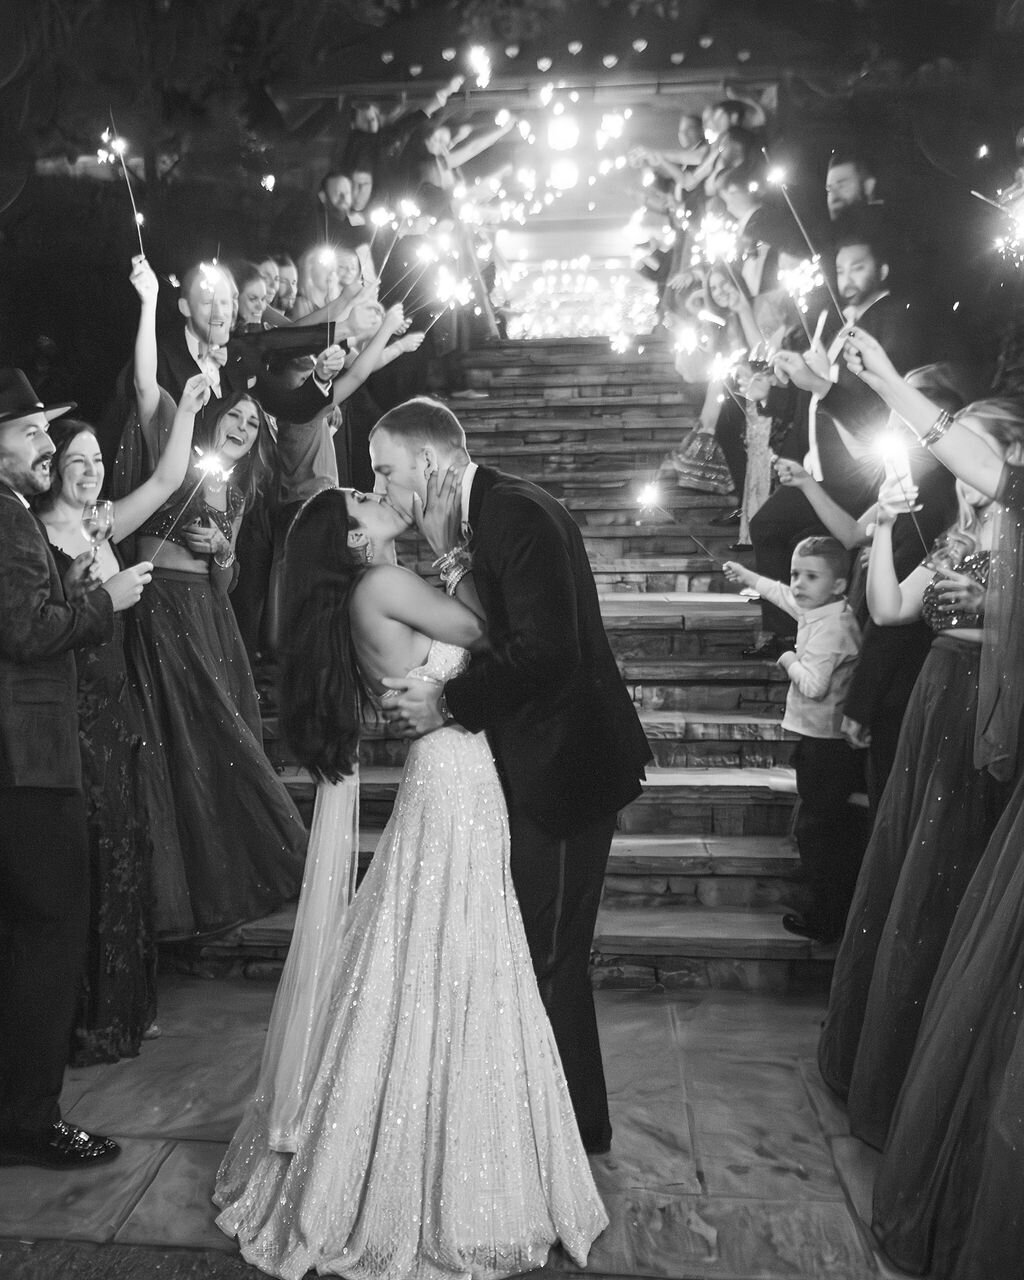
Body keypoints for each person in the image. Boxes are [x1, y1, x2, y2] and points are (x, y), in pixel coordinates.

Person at [214, 485, 608, 1279]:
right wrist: (463, 560)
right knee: (456, 941)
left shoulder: (374, 589)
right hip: (459, 774)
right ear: (355, 539)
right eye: (363, 499)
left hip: (448, 769)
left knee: (429, 940)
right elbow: (488, 631)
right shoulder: (386, 584)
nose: (377, 494)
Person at [372, 397, 652, 1154]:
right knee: (538, 954)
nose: (383, 486)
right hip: (541, 764)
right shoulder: (485, 514)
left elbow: (547, 651)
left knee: (550, 959)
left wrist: (445, 702)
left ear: (428, 463)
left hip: (567, 770)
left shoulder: (515, 514)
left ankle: (567, 1139)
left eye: (386, 470)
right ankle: (554, 1130)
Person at [833, 328, 1024, 1278]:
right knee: (910, 873)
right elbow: (894, 610)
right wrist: (875, 529)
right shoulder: (952, 533)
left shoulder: (1015, 539)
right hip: (930, 713)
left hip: (984, 720)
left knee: (955, 881)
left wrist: (882, 383)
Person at [0, 368, 150, 1169]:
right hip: (30, 762)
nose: (45, 443)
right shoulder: (8, 518)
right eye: (28, 431)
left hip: (23, 762)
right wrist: (107, 600)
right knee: (49, 936)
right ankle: (30, 1120)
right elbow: (26, 630)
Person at [34, 368, 207, 1061]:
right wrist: (100, 592)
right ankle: (80, 1020)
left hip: (118, 709)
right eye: (76, 463)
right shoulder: (33, 538)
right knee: (88, 861)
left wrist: (189, 407)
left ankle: (123, 1013)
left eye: (97, 462)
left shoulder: (103, 521)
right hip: (69, 717)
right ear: (52, 472)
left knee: (127, 854)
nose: (89, 473)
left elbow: (167, 483)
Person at [128, 376, 308, 938]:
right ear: (216, 417)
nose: (242, 429)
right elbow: (143, 386)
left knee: (226, 737)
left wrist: (225, 549)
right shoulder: (178, 464)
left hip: (211, 617)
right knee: (188, 737)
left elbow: (226, 582)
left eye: (253, 425)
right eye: (236, 417)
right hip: (162, 610)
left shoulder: (237, 489)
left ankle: (255, 867)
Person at [747, 221, 931, 656]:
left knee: (771, 526)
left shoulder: (888, 323)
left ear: (881, 269)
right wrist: (778, 388)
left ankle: (789, 632)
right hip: (819, 462)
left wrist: (815, 382)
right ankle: (805, 628)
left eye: (858, 268)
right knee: (792, 537)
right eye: (841, 269)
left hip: (856, 470)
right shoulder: (839, 323)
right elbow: (812, 397)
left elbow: (867, 403)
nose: (846, 279)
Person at [724, 537, 865, 943]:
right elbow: (784, 597)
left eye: (811, 577)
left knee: (820, 828)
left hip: (827, 743)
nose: (798, 585)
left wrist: (784, 656)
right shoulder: (823, 610)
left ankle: (825, 917)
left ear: (838, 585)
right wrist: (748, 575)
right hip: (818, 738)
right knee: (817, 821)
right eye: (795, 574)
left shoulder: (831, 630)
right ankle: (816, 887)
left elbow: (816, 685)